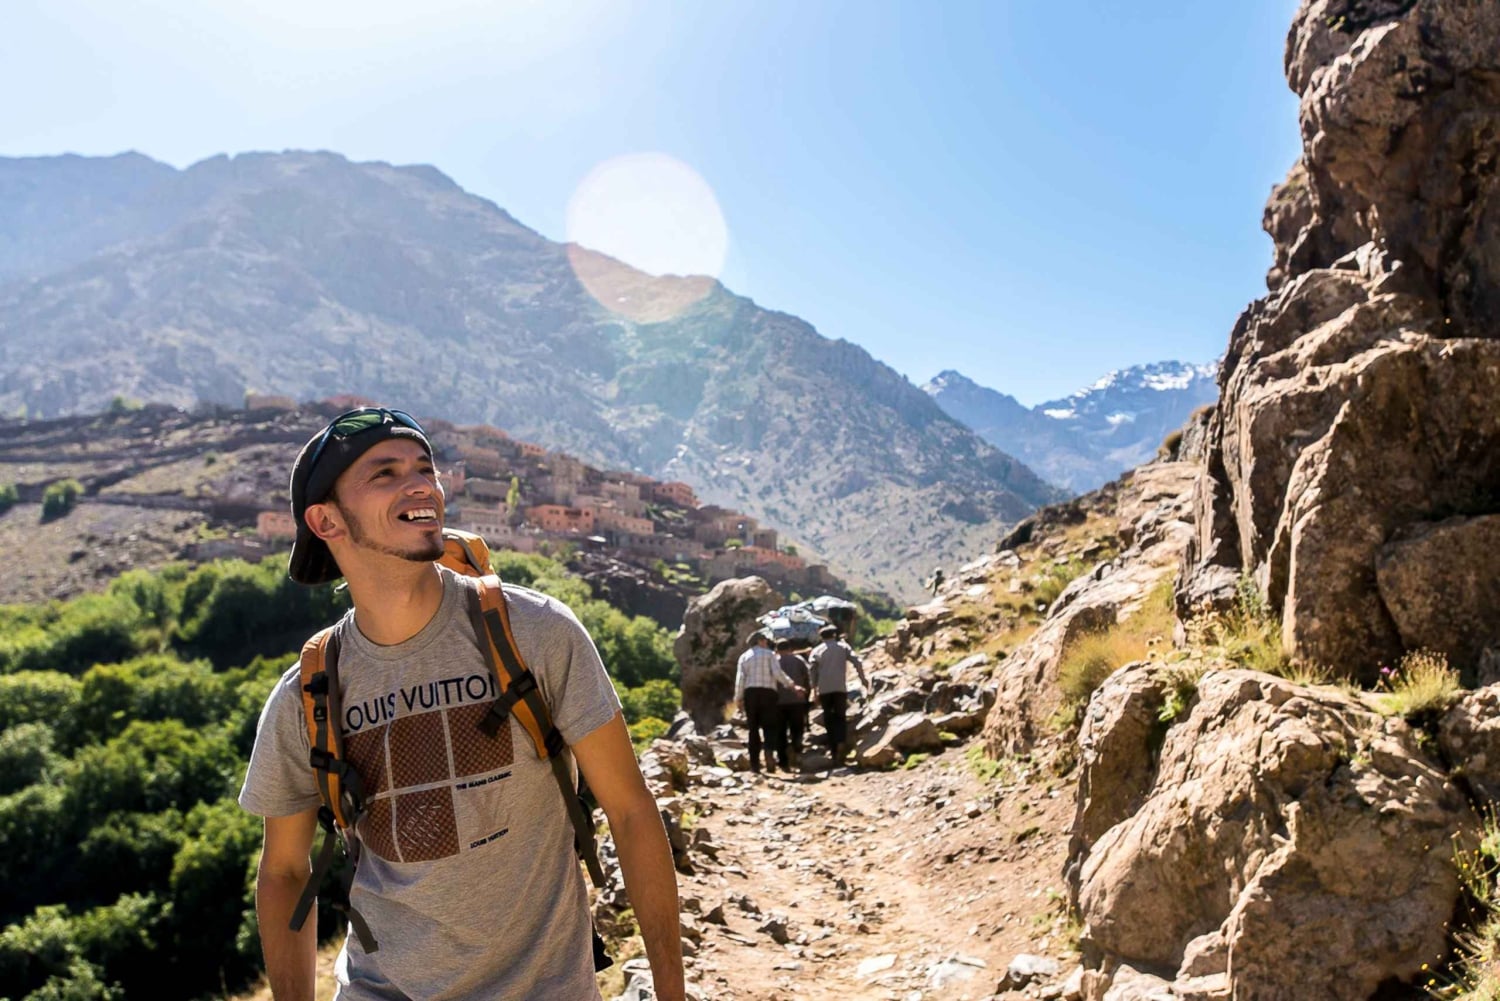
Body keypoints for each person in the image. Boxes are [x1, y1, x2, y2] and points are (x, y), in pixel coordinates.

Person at [238, 407, 684, 1001]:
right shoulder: (307, 695)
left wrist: (671, 991)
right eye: (385, 474)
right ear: (325, 520)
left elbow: (629, 810)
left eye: (425, 468)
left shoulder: (536, 632)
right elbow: (285, 873)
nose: (422, 483)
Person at [733, 631, 801, 774]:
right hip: (768, 693)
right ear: (759, 641)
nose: (766, 642)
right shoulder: (769, 654)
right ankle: (769, 752)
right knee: (770, 726)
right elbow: (778, 674)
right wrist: (792, 686)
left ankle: (755, 765)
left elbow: (740, 680)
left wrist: (738, 698)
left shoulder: (744, 657)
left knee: (753, 729)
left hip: (751, 694)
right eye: (765, 640)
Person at [808, 624, 869, 766]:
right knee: (840, 717)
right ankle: (841, 742)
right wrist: (862, 678)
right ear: (834, 635)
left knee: (829, 719)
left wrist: (814, 689)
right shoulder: (843, 647)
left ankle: (834, 751)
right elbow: (857, 661)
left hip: (824, 689)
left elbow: (812, 670)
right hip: (840, 687)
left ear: (821, 637)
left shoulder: (817, 651)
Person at [773, 639, 812, 771]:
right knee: (797, 730)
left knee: (780, 732)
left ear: (776, 650)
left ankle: (783, 762)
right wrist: (807, 694)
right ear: (790, 648)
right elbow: (808, 676)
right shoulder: (799, 660)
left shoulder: (774, 662)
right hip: (797, 701)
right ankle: (797, 754)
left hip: (778, 702)